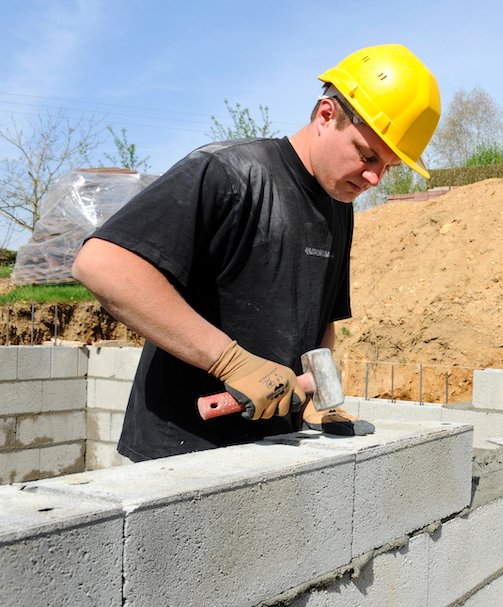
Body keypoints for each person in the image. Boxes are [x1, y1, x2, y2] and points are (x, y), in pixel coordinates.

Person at [72, 44, 441, 462]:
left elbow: (321, 321)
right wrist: (231, 363)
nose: (374, 178)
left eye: (388, 167)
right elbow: (102, 263)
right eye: (366, 155)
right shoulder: (229, 173)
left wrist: (322, 398)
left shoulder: (340, 207)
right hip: (183, 451)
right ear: (326, 115)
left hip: (274, 451)